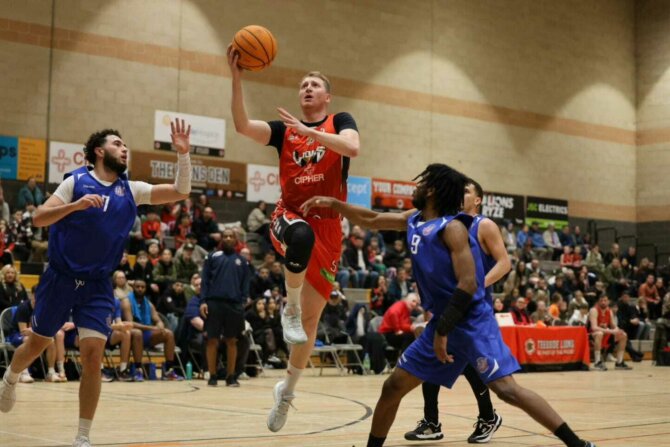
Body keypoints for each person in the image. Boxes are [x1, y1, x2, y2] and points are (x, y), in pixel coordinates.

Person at [302, 163, 595, 447]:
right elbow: (372, 219)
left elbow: (468, 284)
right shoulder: (415, 218)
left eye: (422, 182)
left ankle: (577, 444)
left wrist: (442, 331)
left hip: (471, 321)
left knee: (507, 391)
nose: (416, 186)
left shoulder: (453, 228)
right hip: (443, 320)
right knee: (392, 387)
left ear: (433, 191)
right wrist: (334, 204)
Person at [0, 120, 192, 447]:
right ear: (100, 151)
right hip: (60, 278)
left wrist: (183, 156)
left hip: (97, 285)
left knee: (92, 357)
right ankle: (10, 377)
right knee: (36, 344)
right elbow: (39, 218)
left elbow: (179, 191)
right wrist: (74, 206)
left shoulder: (130, 189)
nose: (124, 148)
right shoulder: (76, 182)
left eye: (125, 144)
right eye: (118, 143)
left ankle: (82, 436)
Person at [228, 45, 360, 433]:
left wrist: (312, 132)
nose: (306, 88)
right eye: (303, 84)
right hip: (291, 215)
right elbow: (241, 126)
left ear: (327, 96)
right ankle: (287, 305)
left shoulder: (340, 120)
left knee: (311, 320)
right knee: (298, 236)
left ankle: (287, 392)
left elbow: (353, 147)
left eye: (314, 84)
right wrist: (237, 77)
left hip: (330, 227)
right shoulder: (285, 130)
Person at [404, 178, 511, 442]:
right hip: (449, 306)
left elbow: (504, 262)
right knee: (434, 358)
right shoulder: (447, 223)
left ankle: (485, 417)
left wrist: (477, 283)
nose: (460, 194)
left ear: (477, 200)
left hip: (473, 308)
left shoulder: (483, 225)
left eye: (466, 191)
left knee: (472, 366)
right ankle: (433, 421)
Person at [199, 228, 250, 387]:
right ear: (221, 239)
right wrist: (203, 301)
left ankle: (231, 376)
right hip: (214, 303)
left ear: (236, 240)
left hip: (234, 305)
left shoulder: (242, 261)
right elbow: (205, 280)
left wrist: (242, 303)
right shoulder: (212, 256)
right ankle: (212, 376)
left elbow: (245, 285)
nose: (228, 239)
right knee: (212, 340)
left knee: (232, 341)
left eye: (231, 236)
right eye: (225, 236)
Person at [589, 294, 632, 371]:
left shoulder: (609, 311)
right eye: (601, 301)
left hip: (606, 333)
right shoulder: (594, 310)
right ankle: (597, 362)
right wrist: (611, 331)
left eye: (605, 300)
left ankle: (619, 362)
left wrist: (618, 329)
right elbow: (594, 327)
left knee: (623, 335)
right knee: (599, 333)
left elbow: (613, 325)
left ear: (608, 301)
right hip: (592, 334)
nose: (603, 302)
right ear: (598, 301)